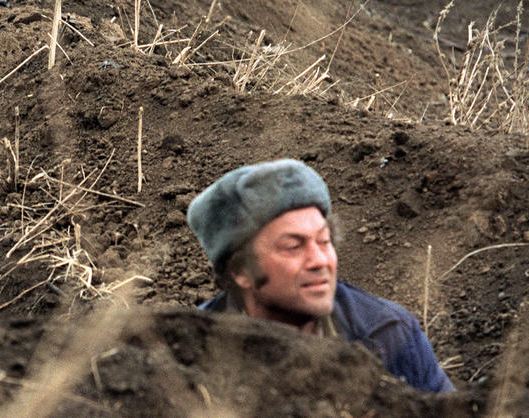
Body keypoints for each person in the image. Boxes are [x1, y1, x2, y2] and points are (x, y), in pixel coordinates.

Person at [186, 159, 455, 393]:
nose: (319, 261)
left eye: (324, 241)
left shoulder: (388, 334)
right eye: (293, 246)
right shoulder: (191, 354)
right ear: (241, 271)